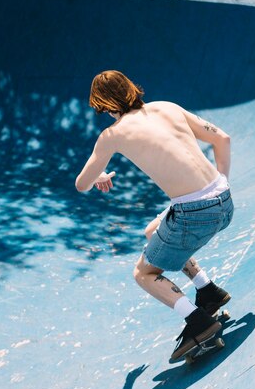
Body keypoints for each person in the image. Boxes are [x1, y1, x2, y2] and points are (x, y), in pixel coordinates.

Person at [75, 70, 234, 361]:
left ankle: (199, 322)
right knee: (154, 231)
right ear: (131, 89)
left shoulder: (112, 134)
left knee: (143, 273)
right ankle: (207, 289)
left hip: (194, 214)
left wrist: (99, 176)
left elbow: (81, 184)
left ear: (106, 105)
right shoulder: (167, 106)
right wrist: (220, 187)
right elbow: (222, 139)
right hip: (224, 201)